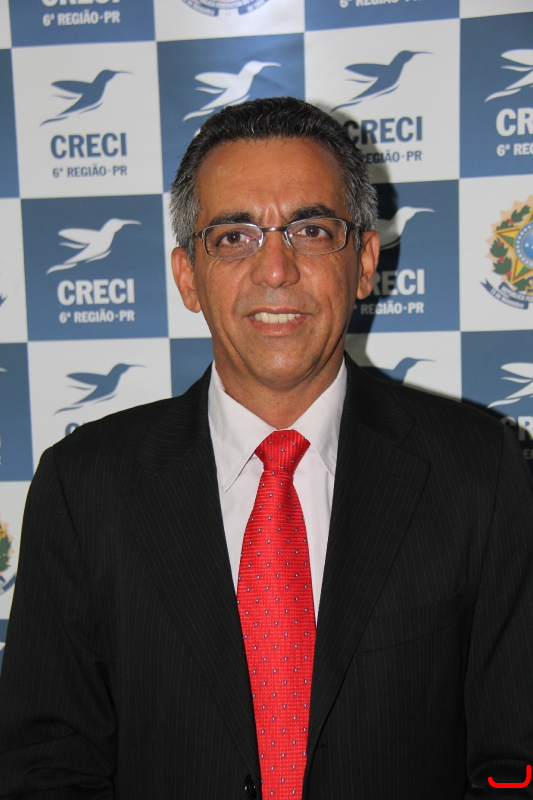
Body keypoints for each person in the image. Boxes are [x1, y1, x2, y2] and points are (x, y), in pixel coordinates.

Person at [1, 96, 532, 800]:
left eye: (311, 230)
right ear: (187, 275)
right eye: (234, 237)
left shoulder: (478, 472)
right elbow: (46, 765)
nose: (276, 269)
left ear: (364, 261)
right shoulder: (83, 486)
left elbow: (513, 757)